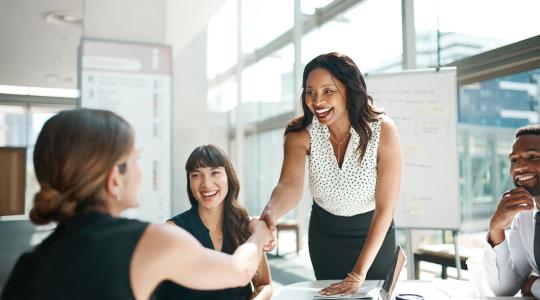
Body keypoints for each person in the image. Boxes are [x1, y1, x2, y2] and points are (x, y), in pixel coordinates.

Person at [0, 109, 273, 300]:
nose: (141, 172)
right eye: (136, 159)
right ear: (114, 180)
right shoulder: (150, 240)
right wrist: (259, 232)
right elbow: (240, 271)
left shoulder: (28, 265)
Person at [259, 52, 401, 296]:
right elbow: (289, 185)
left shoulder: (383, 130)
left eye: (328, 91)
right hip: (326, 237)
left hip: (374, 236)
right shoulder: (300, 133)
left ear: (348, 89)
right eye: (310, 92)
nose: (317, 101)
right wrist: (270, 212)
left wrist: (359, 272)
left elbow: (385, 208)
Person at [156, 145, 272, 300]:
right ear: (189, 181)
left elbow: (263, 285)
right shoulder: (173, 230)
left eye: (215, 173)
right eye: (196, 175)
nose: (206, 183)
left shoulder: (246, 227)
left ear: (228, 177)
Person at [484, 124, 540, 298]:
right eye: (514, 160)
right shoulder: (524, 216)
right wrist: (496, 230)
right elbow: (504, 289)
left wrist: (534, 286)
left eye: (532, 157)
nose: (519, 167)